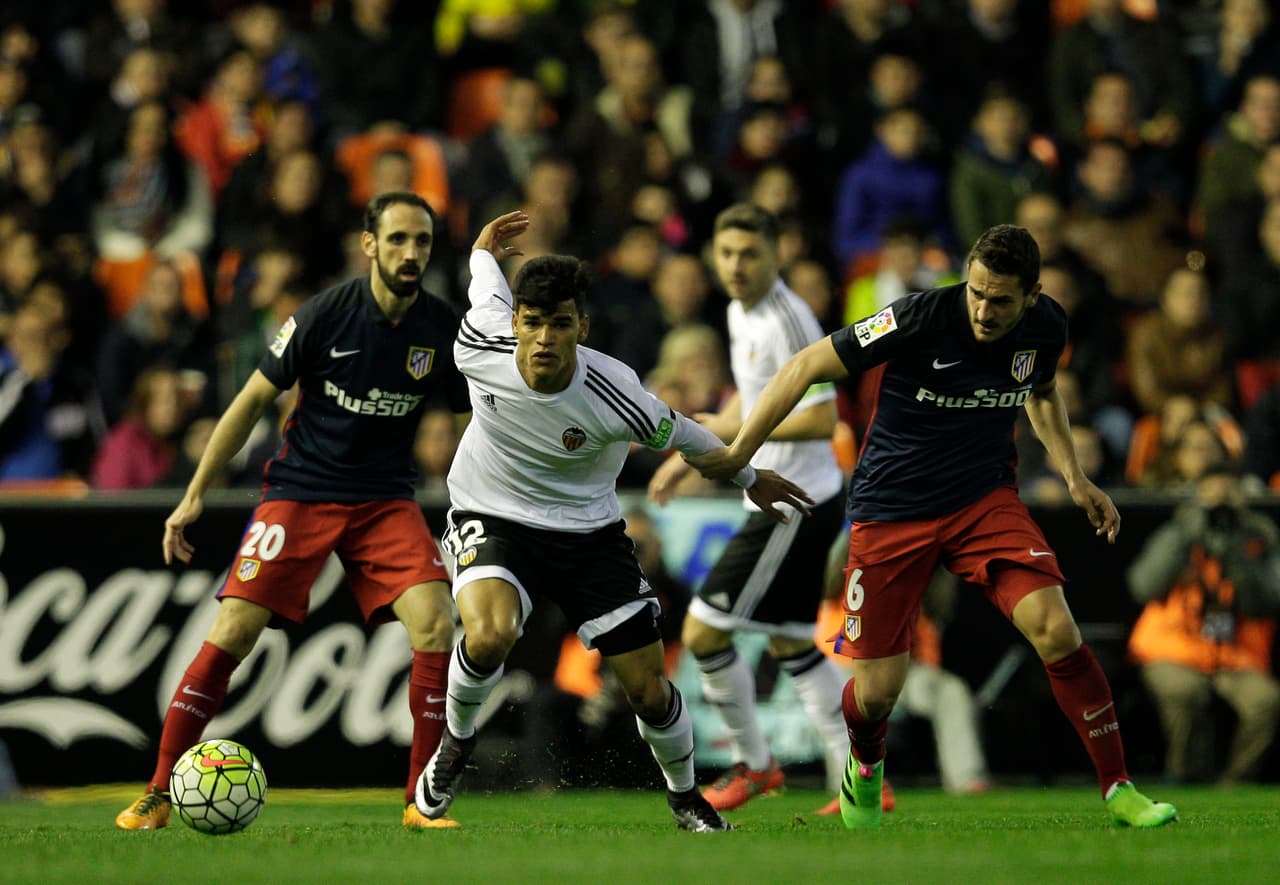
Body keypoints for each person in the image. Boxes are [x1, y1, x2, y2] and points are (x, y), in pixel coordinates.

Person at [685, 224, 1177, 829]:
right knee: (877, 695)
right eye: (976, 293)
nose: (984, 310)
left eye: (1001, 300)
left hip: (982, 501)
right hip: (891, 509)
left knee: (1055, 629)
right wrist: (740, 450)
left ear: (1032, 295)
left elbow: (1040, 391)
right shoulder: (918, 316)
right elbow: (807, 365)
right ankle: (865, 767)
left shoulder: (1048, 325)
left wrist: (1073, 476)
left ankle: (1119, 787)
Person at [412, 210, 811, 833]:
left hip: (588, 533)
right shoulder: (478, 343)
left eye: (560, 324)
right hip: (491, 513)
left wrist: (751, 478)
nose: (544, 338)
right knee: (491, 634)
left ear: (582, 328)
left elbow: (690, 436)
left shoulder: (613, 390)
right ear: (515, 323)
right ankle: (454, 749)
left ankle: (684, 798)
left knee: (648, 689)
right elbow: (483, 281)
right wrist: (482, 250)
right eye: (534, 322)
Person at [114, 192, 472, 831]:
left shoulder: (443, 327)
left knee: (436, 625)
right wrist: (195, 492)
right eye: (397, 240)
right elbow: (250, 402)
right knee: (232, 634)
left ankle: (420, 803)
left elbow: (477, 417)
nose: (411, 252)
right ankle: (157, 792)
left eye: (421, 241)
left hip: (385, 499)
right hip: (301, 493)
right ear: (369, 245)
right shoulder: (323, 316)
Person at [646, 204, 852, 816]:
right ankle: (863, 780)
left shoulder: (787, 320)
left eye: (749, 253)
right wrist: (694, 447)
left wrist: (736, 445)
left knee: (703, 632)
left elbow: (822, 417)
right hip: (787, 493)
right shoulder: (741, 312)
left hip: (793, 501)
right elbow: (758, 405)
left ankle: (757, 766)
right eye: (726, 252)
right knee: (792, 642)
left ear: (775, 255)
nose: (735, 265)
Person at [1127, 465, 1280, 784]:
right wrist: (1187, 535)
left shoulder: (1259, 537)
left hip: (1234, 654)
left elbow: (1267, 602)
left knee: (1264, 701)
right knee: (1185, 691)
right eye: (1212, 492)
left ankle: (1235, 783)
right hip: (1174, 647)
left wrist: (1238, 554)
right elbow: (1143, 586)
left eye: (1229, 492)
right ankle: (1185, 776)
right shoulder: (1177, 532)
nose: (1221, 502)